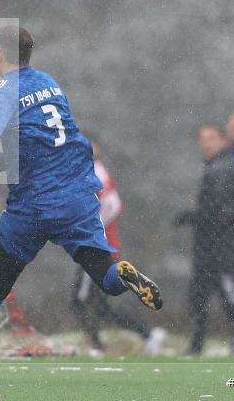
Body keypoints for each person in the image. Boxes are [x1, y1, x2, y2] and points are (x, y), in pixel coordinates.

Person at [0, 26, 162, 382]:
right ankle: (122, 273)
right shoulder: (50, 83)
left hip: (32, 206)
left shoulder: (2, 91)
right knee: (104, 275)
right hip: (75, 197)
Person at [71, 135, 166, 353]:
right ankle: (147, 334)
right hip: (95, 247)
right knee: (99, 305)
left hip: (98, 247)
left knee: (81, 301)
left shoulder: (96, 171)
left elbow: (113, 204)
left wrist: (91, 228)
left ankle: (96, 347)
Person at [174, 124, 234, 354]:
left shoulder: (222, 168)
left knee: (227, 300)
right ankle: (198, 346)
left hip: (219, 249)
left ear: (223, 141)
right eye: (202, 138)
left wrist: (192, 217)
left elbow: (220, 212)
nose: (206, 143)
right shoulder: (216, 166)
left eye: (212, 138)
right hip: (210, 247)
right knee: (203, 299)